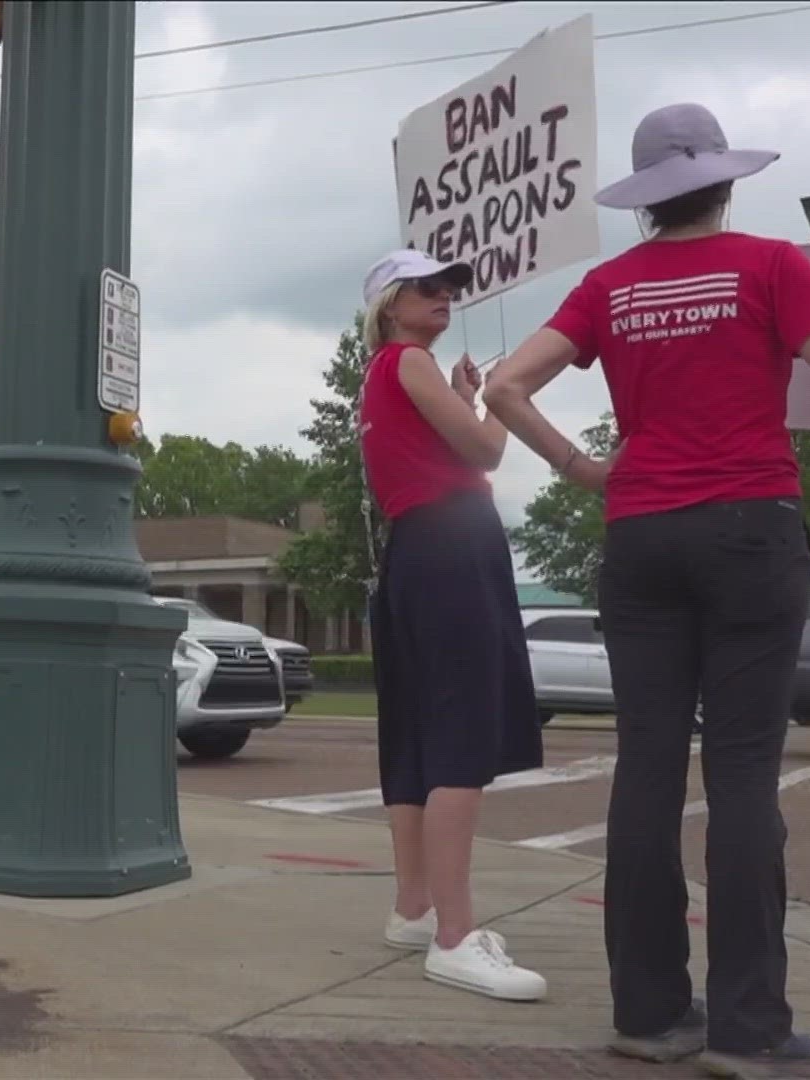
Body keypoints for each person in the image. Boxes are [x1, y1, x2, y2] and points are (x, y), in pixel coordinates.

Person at [484, 103, 810, 1077]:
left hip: (640, 535)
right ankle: (749, 1028)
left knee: (644, 770)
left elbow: (506, 387)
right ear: (724, 180)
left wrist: (583, 468)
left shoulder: (610, 285)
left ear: (646, 199)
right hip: (749, 530)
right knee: (743, 776)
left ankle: (648, 1011)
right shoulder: (767, 266)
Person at [359, 249, 548, 1002]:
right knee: (461, 734)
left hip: (413, 549)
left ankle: (415, 907)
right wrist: (487, 403)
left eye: (448, 290)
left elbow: (432, 450)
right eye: (425, 289)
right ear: (388, 304)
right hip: (454, 542)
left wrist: (461, 396)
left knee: (414, 733)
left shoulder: (380, 377)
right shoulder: (409, 363)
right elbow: (487, 450)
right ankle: (455, 937)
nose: (444, 299)